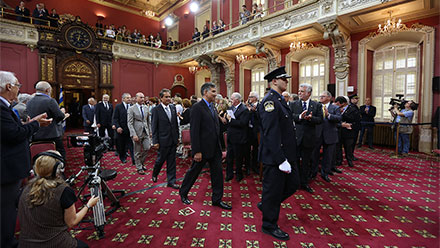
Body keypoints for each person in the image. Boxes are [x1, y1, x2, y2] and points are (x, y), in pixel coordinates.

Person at [1, 71, 51, 248]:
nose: (18, 89)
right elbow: (14, 134)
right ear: (8, 87)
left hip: (11, 166)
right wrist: (36, 124)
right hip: (6, 169)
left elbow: (12, 129)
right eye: (17, 85)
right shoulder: (1, 108)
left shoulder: (6, 107)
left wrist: (32, 122)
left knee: (10, 206)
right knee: (5, 210)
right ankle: (6, 242)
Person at [18, 150, 99, 248]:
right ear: (59, 168)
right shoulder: (64, 191)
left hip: (25, 244)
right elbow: (72, 222)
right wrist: (88, 205)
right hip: (54, 243)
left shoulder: (25, 188)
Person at [258, 66, 300, 241]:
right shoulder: (270, 102)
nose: (287, 81)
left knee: (293, 184)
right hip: (275, 156)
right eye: (284, 78)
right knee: (273, 191)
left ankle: (266, 204)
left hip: (286, 154)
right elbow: (271, 133)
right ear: (274, 81)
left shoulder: (280, 100)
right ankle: (269, 225)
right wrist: (280, 159)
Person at [179, 82, 231, 210]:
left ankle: (217, 199)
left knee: (218, 175)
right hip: (202, 150)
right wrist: (196, 151)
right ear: (205, 92)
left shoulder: (213, 106)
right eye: (213, 91)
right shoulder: (197, 107)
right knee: (193, 173)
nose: (215, 94)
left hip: (215, 149)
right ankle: (183, 192)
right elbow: (194, 131)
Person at [290, 83, 323, 193]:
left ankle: (304, 183)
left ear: (309, 93)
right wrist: (300, 117)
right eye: (299, 91)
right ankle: (294, 182)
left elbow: (320, 120)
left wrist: (310, 118)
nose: (299, 93)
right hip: (296, 138)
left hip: (309, 138)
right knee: (294, 161)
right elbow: (290, 117)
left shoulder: (316, 105)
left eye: (302, 91)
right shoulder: (293, 104)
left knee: (306, 162)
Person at [27, 81, 68, 159]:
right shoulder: (50, 101)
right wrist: (62, 113)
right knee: (60, 153)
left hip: (35, 134)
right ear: (47, 90)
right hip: (51, 135)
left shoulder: (29, 101)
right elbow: (59, 116)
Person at [151, 89, 180, 189]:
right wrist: (155, 141)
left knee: (172, 162)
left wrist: (177, 137)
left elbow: (175, 124)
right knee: (160, 160)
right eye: (166, 97)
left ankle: (171, 181)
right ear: (161, 98)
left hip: (172, 140)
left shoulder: (173, 108)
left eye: (169, 97)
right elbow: (154, 127)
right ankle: (155, 173)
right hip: (162, 140)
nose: (169, 99)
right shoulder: (156, 109)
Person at [312, 91, 342, 183]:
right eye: (320, 96)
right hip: (317, 134)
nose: (321, 98)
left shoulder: (335, 107)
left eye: (323, 96)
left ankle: (325, 172)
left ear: (329, 97)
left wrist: (328, 115)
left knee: (328, 156)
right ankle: (313, 172)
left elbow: (339, 118)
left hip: (330, 135)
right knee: (314, 154)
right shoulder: (316, 106)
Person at [223, 92, 250, 181]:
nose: (230, 100)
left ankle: (239, 174)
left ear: (237, 100)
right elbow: (229, 121)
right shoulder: (230, 108)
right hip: (230, 136)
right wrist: (227, 119)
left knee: (238, 158)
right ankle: (229, 174)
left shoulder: (244, 109)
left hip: (239, 137)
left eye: (232, 98)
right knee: (229, 157)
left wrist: (231, 120)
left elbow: (243, 123)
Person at [127, 92, 151, 175]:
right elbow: (129, 123)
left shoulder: (146, 108)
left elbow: (148, 121)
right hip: (136, 132)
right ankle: (139, 167)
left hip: (146, 131)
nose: (142, 99)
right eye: (141, 97)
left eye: (143, 97)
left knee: (147, 148)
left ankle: (141, 162)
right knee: (137, 151)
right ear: (136, 98)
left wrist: (150, 131)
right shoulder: (131, 108)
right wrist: (133, 134)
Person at [334, 96, 357, 167]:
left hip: (348, 131)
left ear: (343, 103)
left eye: (337, 103)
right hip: (338, 131)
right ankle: (339, 161)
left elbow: (355, 119)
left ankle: (349, 160)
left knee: (348, 147)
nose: (336, 104)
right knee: (338, 147)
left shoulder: (352, 109)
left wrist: (343, 115)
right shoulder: (336, 109)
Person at [112, 93, 135, 164]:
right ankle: (123, 157)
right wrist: (118, 127)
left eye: (130, 97)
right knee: (121, 145)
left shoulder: (132, 106)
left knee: (132, 145)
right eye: (127, 98)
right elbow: (115, 118)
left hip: (130, 130)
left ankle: (134, 159)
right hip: (121, 130)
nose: (129, 99)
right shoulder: (118, 106)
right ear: (123, 99)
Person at [244, 91, 260, 174]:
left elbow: (261, 118)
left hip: (256, 131)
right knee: (246, 149)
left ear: (256, 98)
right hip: (247, 130)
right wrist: (248, 110)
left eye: (251, 97)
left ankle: (255, 165)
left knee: (255, 150)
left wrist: (254, 111)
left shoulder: (260, 106)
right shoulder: (246, 106)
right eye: (249, 96)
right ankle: (247, 166)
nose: (249, 98)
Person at [348, 94, 361, 160]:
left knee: (353, 143)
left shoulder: (355, 107)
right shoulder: (351, 107)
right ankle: (350, 156)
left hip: (355, 127)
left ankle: (351, 155)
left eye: (357, 99)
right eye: (355, 99)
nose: (357, 100)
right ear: (352, 100)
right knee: (351, 143)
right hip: (352, 128)